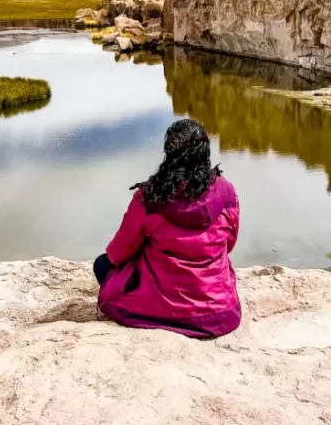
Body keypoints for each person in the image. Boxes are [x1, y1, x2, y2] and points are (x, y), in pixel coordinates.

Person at [94, 118, 241, 339]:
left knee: (102, 264)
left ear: (169, 153)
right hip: (218, 312)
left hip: (157, 307)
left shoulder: (149, 197)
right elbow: (228, 244)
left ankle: (153, 311)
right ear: (205, 152)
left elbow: (117, 254)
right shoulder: (226, 192)